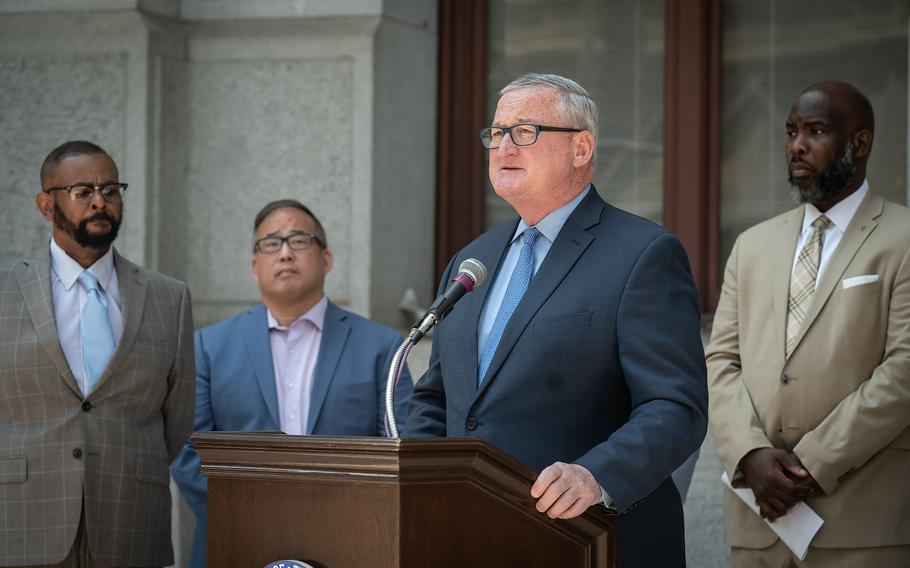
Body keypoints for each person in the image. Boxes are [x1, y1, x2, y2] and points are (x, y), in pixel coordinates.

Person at [403, 73, 708, 566]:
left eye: (525, 131)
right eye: (496, 133)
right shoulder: (471, 261)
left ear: (581, 148)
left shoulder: (642, 254)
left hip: (591, 539)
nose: (503, 146)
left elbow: (675, 406)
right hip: (471, 539)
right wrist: (418, 489)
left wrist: (597, 475)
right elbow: (437, 399)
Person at [707, 81, 910, 565]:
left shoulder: (903, 238)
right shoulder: (751, 245)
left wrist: (813, 464)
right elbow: (722, 361)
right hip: (759, 520)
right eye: (791, 131)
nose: (797, 145)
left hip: (862, 523)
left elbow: (904, 369)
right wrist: (749, 455)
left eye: (815, 131)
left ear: (859, 144)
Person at [171, 199, 413, 568]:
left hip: (352, 543)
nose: (285, 253)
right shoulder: (208, 347)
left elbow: (400, 451)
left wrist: (335, 517)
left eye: (299, 240)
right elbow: (186, 452)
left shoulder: (382, 348)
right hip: (235, 541)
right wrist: (257, 517)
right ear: (255, 266)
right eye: (271, 243)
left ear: (327, 259)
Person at [0, 141, 195, 567]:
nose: (100, 202)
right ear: (45, 205)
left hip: (131, 522)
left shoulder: (169, 298)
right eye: (82, 191)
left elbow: (177, 417)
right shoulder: (3, 292)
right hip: (22, 521)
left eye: (110, 189)